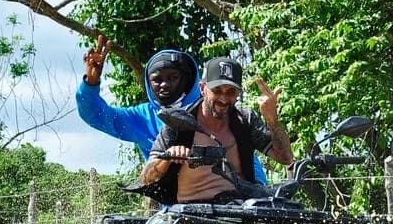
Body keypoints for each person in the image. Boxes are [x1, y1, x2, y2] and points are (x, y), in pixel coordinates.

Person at [77, 35, 267, 181]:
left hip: (232, 202)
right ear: (148, 83)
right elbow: (95, 115)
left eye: (172, 77)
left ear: (186, 79)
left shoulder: (213, 108)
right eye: (157, 79)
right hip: (177, 209)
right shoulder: (142, 117)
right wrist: (91, 83)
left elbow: (245, 156)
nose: (164, 84)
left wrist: (259, 191)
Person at [135, 56, 295, 204]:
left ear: (238, 93)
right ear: (202, 88)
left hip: (241, 210)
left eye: (231, 92)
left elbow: (286, 158)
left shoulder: (245, 119)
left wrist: (272, 119)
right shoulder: (179, 123)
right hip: (193, 213)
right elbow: (146, 178)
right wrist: (167, 158)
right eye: (217, 90)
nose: (224, 98)